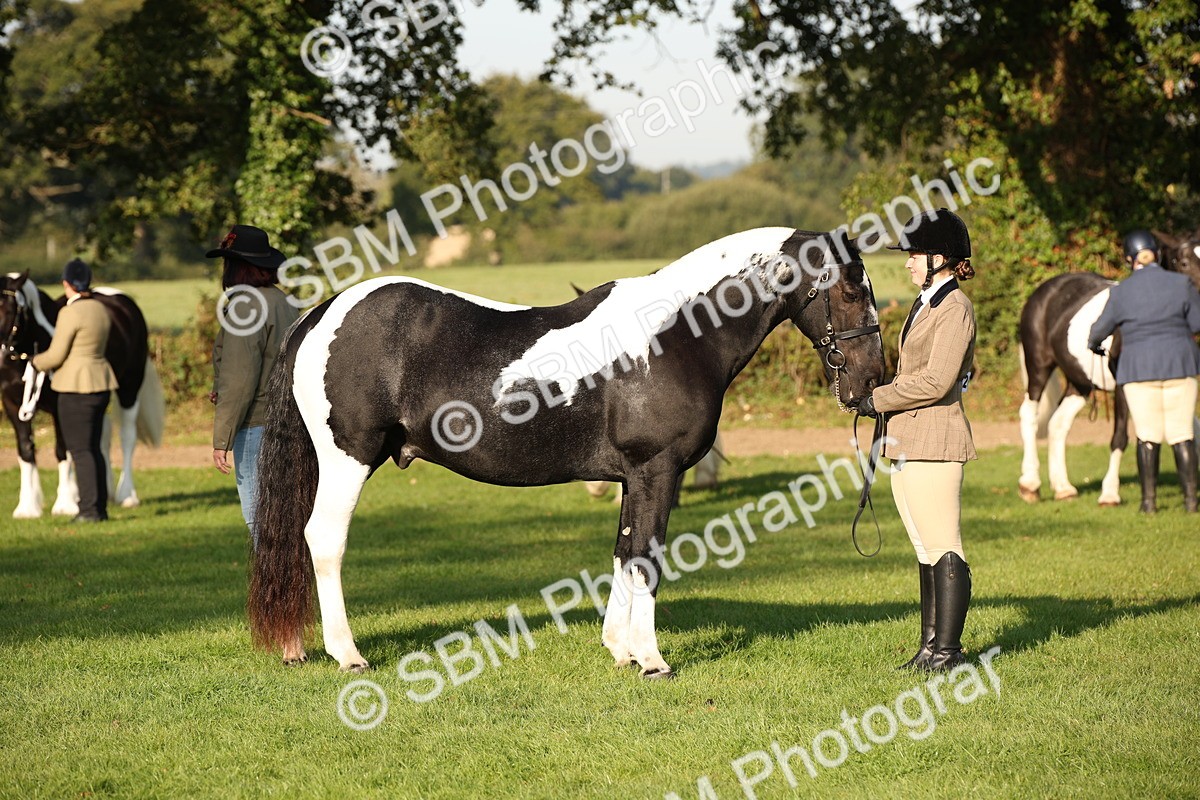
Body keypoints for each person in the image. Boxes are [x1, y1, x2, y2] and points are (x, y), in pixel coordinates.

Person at [855, 208, 977, 671]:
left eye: (915, 254)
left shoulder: (954, 307)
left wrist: (877, 399)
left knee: (944, 543)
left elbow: (938, 380)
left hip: (936, 440)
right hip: (909, 439)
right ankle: (929, 648)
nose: (907, 263)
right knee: (925, 547)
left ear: (941, 258)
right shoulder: (928, 302)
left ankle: (948, 652)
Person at [1088, 230, 1200, 513]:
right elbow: (1197, 323)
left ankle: (1148, 503)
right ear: (1158, 255)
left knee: (1147, 436)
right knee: (1182, 433)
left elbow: (1098, 331)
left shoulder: (1120, 291)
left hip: (1138, 371)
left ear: (1129, 259)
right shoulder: (1182, 283)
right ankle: (1191, 501)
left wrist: (1094, 345)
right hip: (1180, 367)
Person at [208, 225, 299, 545]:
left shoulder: (247, 306)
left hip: (257, 424)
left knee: (260, 522)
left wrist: (222, 438)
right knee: (288, 518)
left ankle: (276, 593)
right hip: (291, 422)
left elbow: (240, 379)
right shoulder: (285, 302)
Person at [31, 259, 119, 522]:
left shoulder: (69, 313)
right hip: (101, 383)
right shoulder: (101, 309)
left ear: (66, 284)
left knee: (80, 451)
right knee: (93, 449)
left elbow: (56, 355)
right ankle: (98, 507)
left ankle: (89, 511)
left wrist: (33, 362)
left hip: (75, 387)